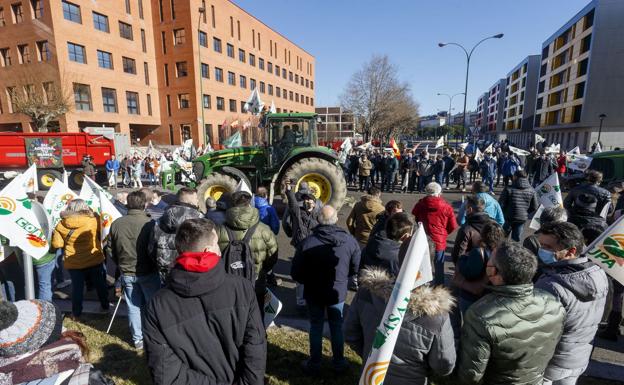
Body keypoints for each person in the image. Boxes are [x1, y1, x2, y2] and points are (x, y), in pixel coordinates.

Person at [143, 218, 266, 385]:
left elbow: (166, 374)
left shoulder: (157, 305)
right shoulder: (242, 288)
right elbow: (256, 347)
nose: (221, 250)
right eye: (217, 245)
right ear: (208, 250)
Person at [345, 241, 456, 385]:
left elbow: (349, 334)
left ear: (399, 258)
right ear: (429, 264)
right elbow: (443, 365)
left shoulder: (367, 293)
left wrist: (371, 355)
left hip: (371, 376)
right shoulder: (437, 316)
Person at [458, 241, 565, 385]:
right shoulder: (554, 303)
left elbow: (471, 375)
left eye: (489, 265)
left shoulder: (481, 315)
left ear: (495, 273)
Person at [535, 222, 609, 385]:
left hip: (551, 362)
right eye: (541, 245)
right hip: (579, 357)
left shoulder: (550, 285)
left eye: (548, 247)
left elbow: (538, 332)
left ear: (571, 251)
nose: (542, 250)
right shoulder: (598, 273)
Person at [291, 206, 360, 375]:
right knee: (336, 326)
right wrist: (343, 278)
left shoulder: (307, 242)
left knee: (316, 326)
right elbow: (355, 267)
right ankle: (339, 363)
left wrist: (307, 281)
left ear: (318, 220)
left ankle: (315, 363)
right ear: (336, 219)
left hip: (314, 291)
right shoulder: (350, 241)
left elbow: (296, 273)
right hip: (337, 290)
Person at [105, 191, 160, 350]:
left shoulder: (117, 223)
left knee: (134, 307)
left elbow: (110, 249)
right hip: (148, 271)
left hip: (128, 271)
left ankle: (138, 339)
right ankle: (153, 335)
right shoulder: (150, 223)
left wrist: (121, 263)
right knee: (152, 305)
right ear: (144, 204)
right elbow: (157, 248)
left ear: (127, 205)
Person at [215, 191, 278, 313]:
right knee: (256, 319)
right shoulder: (264, 230)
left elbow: (213, 256)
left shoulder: (219, 230)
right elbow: (273, 256)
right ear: (250, 204)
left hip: (228, 285)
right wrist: (263, 270)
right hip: (256, 283)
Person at [51, 199, 109, 319]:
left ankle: (76, 313)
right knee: (100, 285)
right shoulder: (93, 220)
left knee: (77, 288)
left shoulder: (61, 224)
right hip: (94, 258)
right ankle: (105, 307)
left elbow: (57, 245)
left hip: (74, 263)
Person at [149, 187, 203, 282]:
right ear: (190, 202)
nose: (198, 201)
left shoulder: (160, 219)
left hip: (165, 270)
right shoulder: (200, 220)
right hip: (192, 272)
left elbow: (151, 248)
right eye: (196, 198)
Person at [453, 222, 505, 313]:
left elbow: (469, 273)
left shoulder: (478, 252)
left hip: (471, 296)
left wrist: (463, 258)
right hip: (489, 296)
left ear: (483, 234)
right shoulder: (500, 252)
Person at [411, 182, 458, 286]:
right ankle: (439, 287)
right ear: (439, 193)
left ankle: (421, 286)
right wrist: (444, 233)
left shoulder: (420, 204)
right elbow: (453, 226)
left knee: (422, 265)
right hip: (439, 240)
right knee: (439, 266)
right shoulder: (446, 207)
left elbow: (415, 217)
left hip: (423, 238)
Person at [284, 181, 320, 311]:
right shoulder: (298, 214)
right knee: (300, 278)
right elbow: (293, 204)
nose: (307, 202)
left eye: (310, 200)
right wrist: (289, 190)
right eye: (305, 200)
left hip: (314, 252)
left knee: (313, 277)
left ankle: (312, 299)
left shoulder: (318, 217)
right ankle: (300, 303)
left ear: (315, 204)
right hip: (300, 250)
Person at [451, 196, 495, 263]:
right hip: (491, 269)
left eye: (465, 208)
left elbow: (457, 257)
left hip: (470, 270)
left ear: (470, 209)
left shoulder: (466, 230)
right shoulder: (495, 225)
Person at [498, 169, 539, 241]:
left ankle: (502, 251)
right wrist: (525, 212)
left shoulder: (508, 188)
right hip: (521, 218)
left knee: (502, 238)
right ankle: (514, 251)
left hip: (508, 217)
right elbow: (535, 206)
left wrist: (504, 212)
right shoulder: (532, 190)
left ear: (515, 177)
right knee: (516, 239)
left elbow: (501, 204)